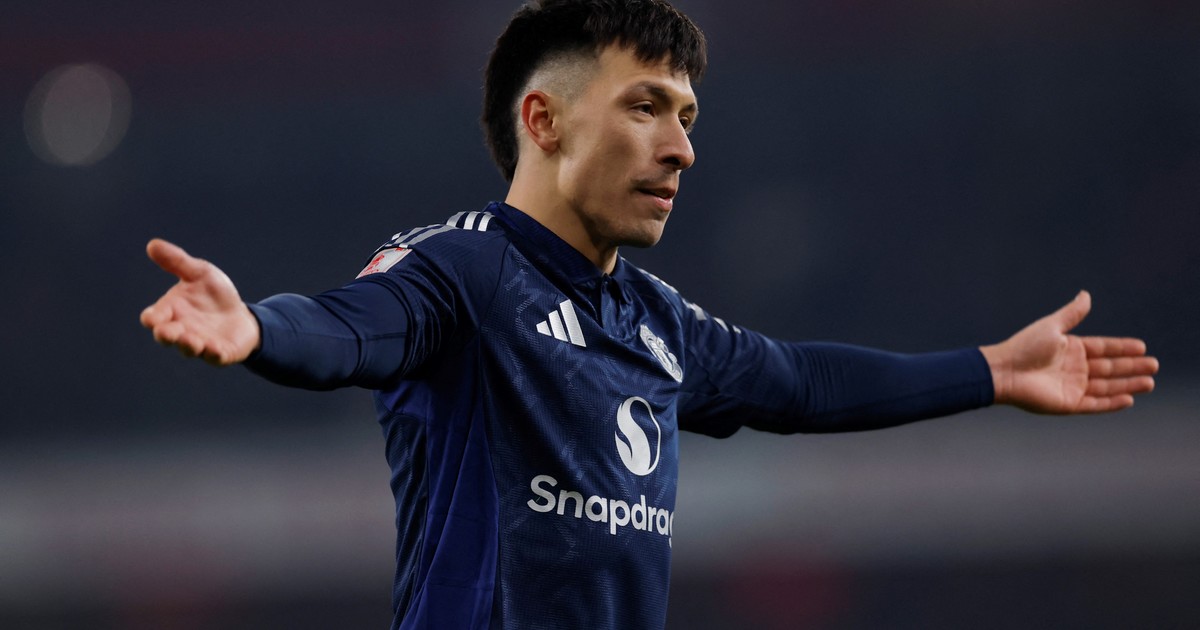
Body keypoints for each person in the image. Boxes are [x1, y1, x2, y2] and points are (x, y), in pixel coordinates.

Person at [139, 0, 1159, 628]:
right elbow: (357, 325)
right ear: (543, 121)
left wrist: (992, 370)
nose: (682, 148)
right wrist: (258, 330)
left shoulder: (658, 323)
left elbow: (801, 383)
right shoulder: (464, 269)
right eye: (645, 107)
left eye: (687, 116)